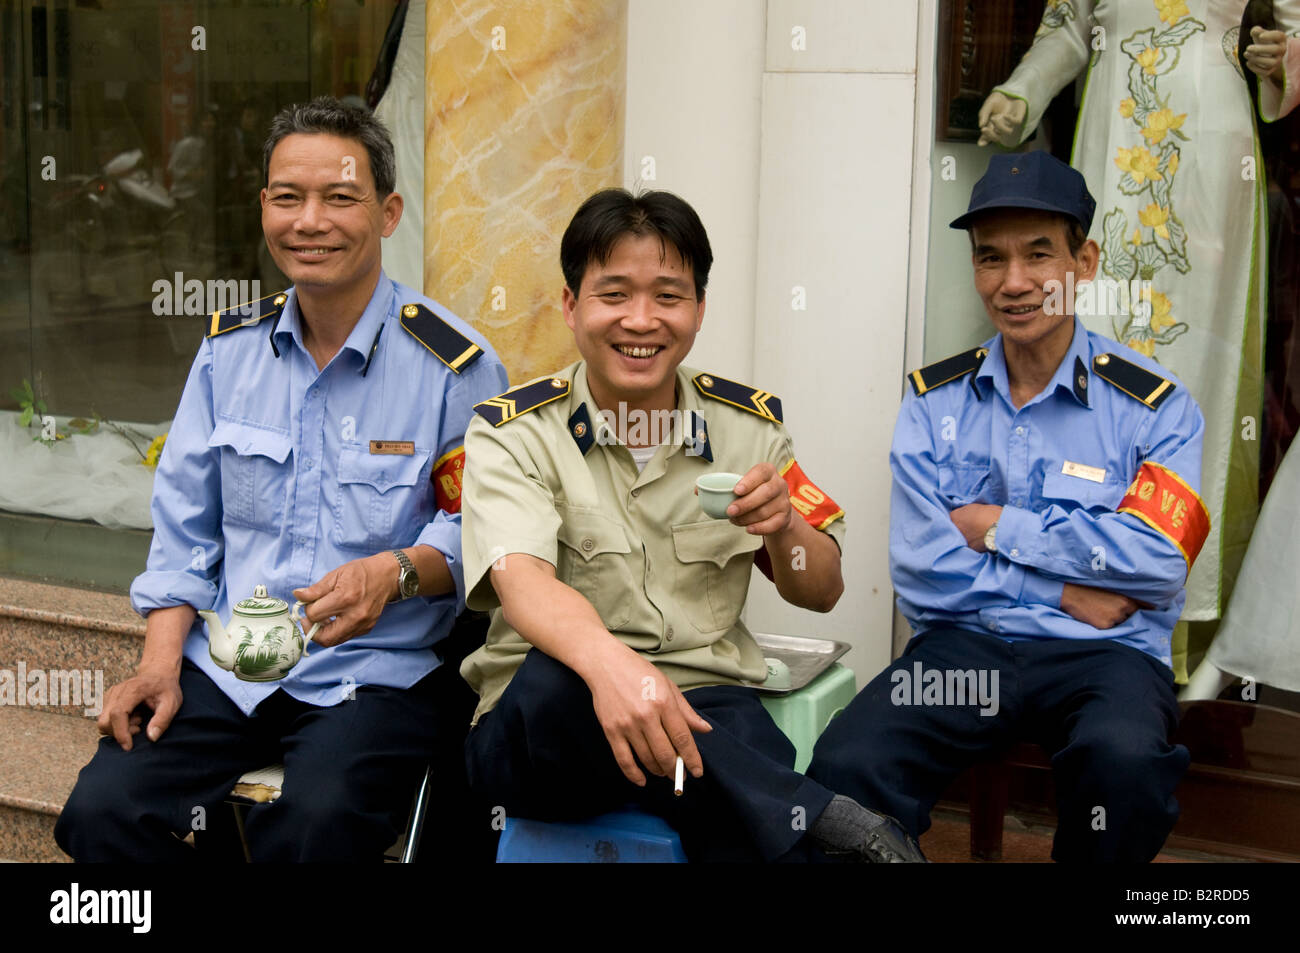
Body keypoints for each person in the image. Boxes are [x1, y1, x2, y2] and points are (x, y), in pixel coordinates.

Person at [55, 96, 508, 862]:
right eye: (288, 198)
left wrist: (393, 575)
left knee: (311, 825)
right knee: (99, 813)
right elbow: (184, 531)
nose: (310, 221)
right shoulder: (226, 352)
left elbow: (480, 531)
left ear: (389, 212)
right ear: (264, 207)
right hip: (231, 664)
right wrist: (158, 667)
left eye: (339, 198)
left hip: (377, 674)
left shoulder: (452, 366)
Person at [457, 188, 924, 862]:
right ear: (571, 305)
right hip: (546, 725)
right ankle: (827, 824)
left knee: (721, 761)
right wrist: (614, 669)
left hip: (704, 704)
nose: (640, 320)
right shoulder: (515, 433)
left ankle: (788, 823)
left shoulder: (747, 428)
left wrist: (784, 528)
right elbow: (523, 582)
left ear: (699, 310)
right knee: (554, 682)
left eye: (668, 296)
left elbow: (820, 590)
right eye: (614, 294)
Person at [808, 151, 1207, 863]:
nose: (1013, 282)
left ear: (1083, 262)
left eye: (1038, 254)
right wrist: (1061, 587)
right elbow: (922, 569)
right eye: (991, 258)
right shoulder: (937, 401)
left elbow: (1159, 562)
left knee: (1125, 768)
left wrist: (997, 525)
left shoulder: (1157, 407)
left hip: (1104, 656)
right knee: (847, 763)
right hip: (972, 645)